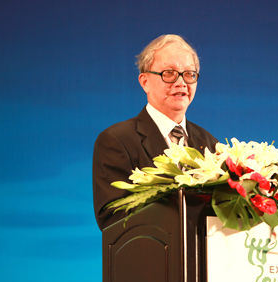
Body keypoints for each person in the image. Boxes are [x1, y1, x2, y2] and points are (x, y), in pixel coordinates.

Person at [93, 35, 218, 230]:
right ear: (145, 82)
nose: (181, 83)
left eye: (189, 74)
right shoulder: (117, 141)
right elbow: (113, 218)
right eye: (169, 73)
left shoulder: (211, 144)